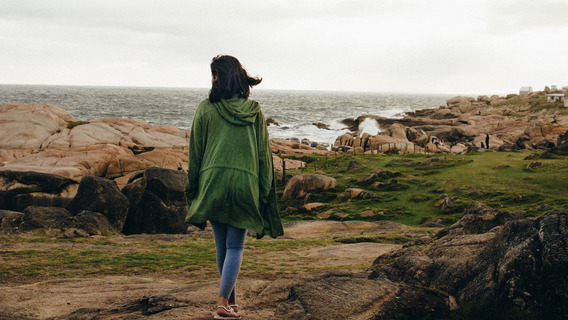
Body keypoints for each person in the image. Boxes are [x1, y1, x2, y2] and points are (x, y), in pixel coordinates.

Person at [185, 55, 283, 319]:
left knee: (222, 248)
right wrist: (264, 192)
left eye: (214, 74)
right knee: (235, 248)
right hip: (244, 185)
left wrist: (192, 188)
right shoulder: (254, 111)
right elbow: (264, 156)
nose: (212, 79)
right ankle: (224, 303)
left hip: (213, 183)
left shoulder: (206, 108)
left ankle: (226, 302)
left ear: (222, 77)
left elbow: (195, 152)